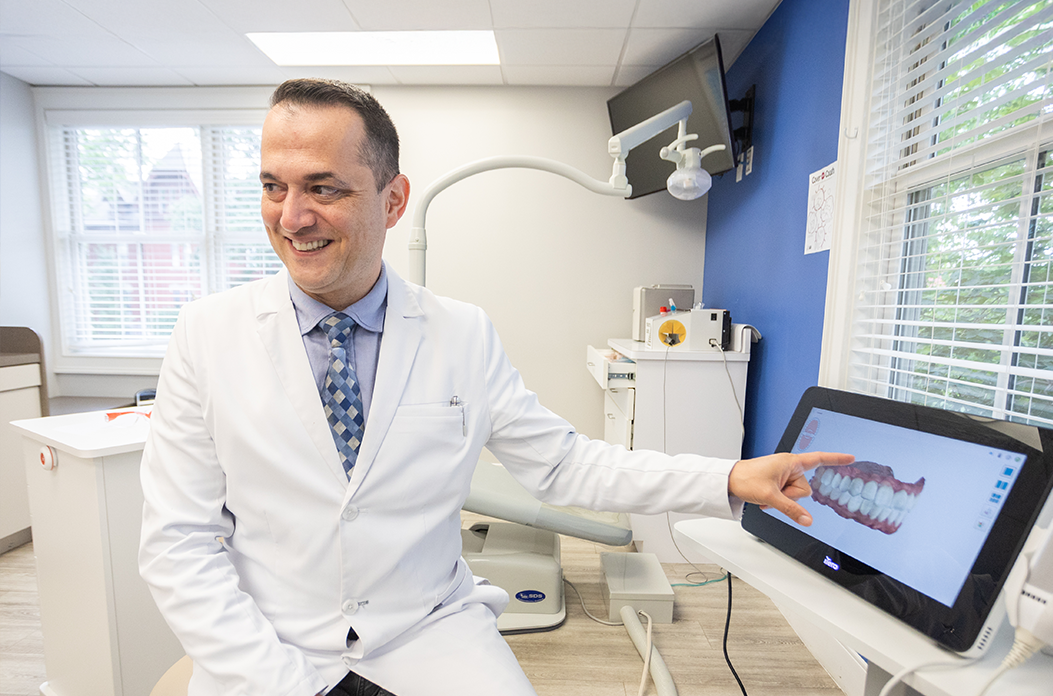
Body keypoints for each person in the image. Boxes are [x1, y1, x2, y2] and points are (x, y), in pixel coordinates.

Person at [138, 78, 853, 696]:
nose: (291, 217)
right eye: (274, 186)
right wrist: (279, 679)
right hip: (267, 641)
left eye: (323, 188)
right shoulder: (206, 336)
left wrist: (727, 475)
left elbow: (566, 463)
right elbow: (177, 544)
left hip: (427, 631)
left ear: (393, 200)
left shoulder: (461, 333)